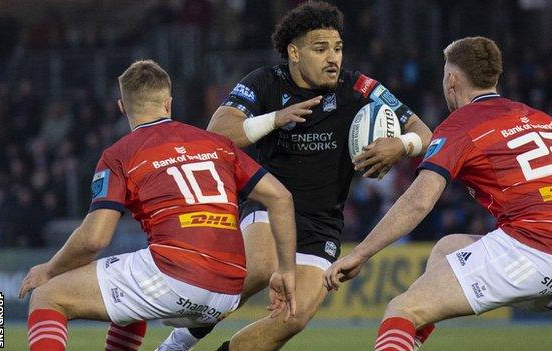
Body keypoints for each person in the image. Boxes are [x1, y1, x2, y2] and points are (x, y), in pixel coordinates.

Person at [157, 2, 432, 351]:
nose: (333, 58)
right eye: (321, 49)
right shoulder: (265, 82)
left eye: (338, 47)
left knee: (295, 315)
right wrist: (275, 118)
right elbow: (218, 134)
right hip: (268, 203)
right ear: (294, 53)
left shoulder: (358, 88)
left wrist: (402, 145)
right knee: (261, 267)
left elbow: (425, 133)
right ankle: (178, 342)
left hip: (322, 223)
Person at [323, 36, 552, 351]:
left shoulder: (461, 125)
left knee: (401, 308)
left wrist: (360, 253)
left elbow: (418, 201)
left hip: (530, 253)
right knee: (447, 248)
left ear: (452, 79)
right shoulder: (537, 118)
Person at [18, 60, 298, 351]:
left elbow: (94, 239)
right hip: (228, 292)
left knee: (48, 297)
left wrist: (50, 270)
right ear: (168, 103)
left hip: (177, 275)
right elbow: (281, 197)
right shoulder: (215, 143)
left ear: (122, 108)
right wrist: (287, 270)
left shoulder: (119, 155)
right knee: (128, 302)